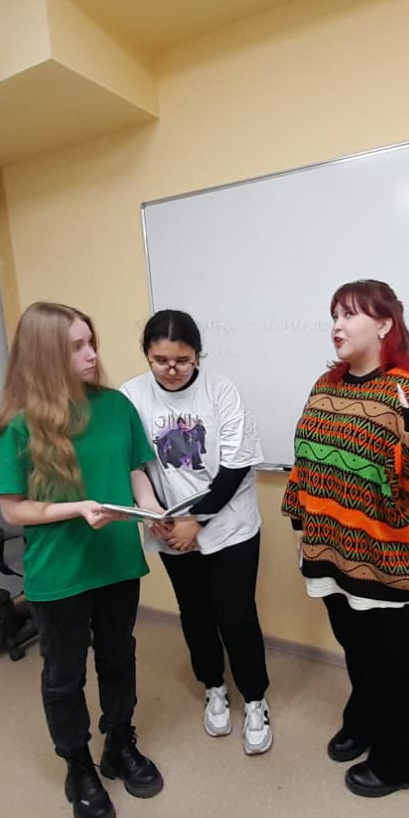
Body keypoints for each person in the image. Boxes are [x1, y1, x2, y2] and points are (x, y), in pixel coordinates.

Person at [0, 301, 165, 818]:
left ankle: (120, 744)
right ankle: (78, 766)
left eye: (91, 342)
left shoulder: (115, 406)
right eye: (76, 347)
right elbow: (13, 508)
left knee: (118, 657)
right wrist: (76, 509)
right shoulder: (18, 425)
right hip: (59, 570)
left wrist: (151, 507)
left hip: (117, 560)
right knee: (63, 675)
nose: (91, 354)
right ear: (45, 356)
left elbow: (134, 469)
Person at [281, 279, 409, 797]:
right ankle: (365, 719)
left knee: (399, 660)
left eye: (350, 314)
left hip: (392, 559)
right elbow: (305, 461)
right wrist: (299, 523)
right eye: (334, 315)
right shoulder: (325, 385)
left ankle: (401, 762)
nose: (337, 325)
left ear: (384, 325)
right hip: (332, 551)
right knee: (356, 647)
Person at [120, 310, 273, 755]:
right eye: (160, 360)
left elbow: (236, 466)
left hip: (229, 524)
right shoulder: (131, 395)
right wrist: (152, 511)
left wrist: (196, 520)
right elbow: (131, 461)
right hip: (169, 525)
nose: (171, 369)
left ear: (198, 355)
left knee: (236, 615)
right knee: (195, 612)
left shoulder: (221, 391)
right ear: (147, 355)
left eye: (182, 360)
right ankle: (214, 688)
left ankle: (256, 700)